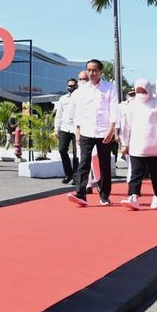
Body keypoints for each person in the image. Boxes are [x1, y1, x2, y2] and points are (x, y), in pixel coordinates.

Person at [68, 59, 118, 207]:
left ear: (101, 72)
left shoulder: (109, 88)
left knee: (104, 164)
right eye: (89, 70)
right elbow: (77, 111)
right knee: (83, 163)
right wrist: (77, 130)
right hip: (86, 130)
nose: (91, 73)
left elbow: (114, 109)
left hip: (104, 131)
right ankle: (81, 193)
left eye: (94, 70)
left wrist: (112, 130)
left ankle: (104, 195)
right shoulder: (81, 90)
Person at [120, 79, 157, 210]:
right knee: (135, 173)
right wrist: (124, 143)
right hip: (137, 145)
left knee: (156, 174)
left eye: (143, 90)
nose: (140, 93)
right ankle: (133, 197)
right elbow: (126, 127)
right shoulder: (130, 105)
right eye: (138, 90)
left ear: (148, 90)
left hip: (155, 146)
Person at [54, 78, 79, 184]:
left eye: (73, 86)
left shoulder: (80, 98)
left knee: (76, 153)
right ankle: (68, 174)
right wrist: (56, 129)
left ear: (76, 86)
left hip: (76, 128)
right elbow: (58, 115)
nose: (71, 88)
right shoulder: (63, 99)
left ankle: (75, 176)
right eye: (69, 86)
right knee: (62, 150)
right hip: (64, 127)